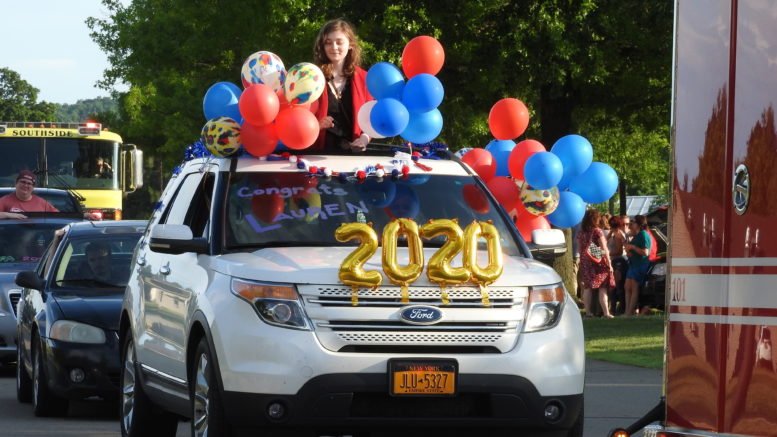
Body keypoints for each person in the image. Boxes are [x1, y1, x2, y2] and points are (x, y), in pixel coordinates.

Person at [311, 18, 373, 153]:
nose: (334, 47)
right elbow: (300, 121)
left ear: (350, 44)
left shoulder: (365, 78)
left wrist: (364, 139)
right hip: (317, 156)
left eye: (339, 42)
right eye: (328, 43)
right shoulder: (311, 77)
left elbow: (371, 120)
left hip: (353, 159)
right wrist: (317, 126)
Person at [576, 209, 615, 318]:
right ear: (595, 219)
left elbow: (580, 249)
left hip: (585, 262)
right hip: (599, 263)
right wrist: (609, 263)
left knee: (588, 288)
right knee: (602, 288)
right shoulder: (597, 231)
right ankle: (606, 313)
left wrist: (583, 260)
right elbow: (604, 248)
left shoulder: (581, 232)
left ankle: (588, 312)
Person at [624, 214, 652, 316]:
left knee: (634, 287)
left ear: (639, 224)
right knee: (627, 287)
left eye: (633, 222)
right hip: (633, 264)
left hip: (640, 265)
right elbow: (632, 251)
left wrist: (632, 247)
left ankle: (629, 312)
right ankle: (627, 311)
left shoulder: (644, 235)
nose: (631, 224)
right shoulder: (636, 235)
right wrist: (629, 250)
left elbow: (646, 252)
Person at [608, 215, 629, 315]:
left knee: (617, 286)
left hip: (618, 261)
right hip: (617, 261)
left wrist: (607, 253)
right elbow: (605, 240)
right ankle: (616, 308)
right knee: (616, 285)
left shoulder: (618, 234)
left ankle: (618, 308)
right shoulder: (615, 233)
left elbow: (619, 251)